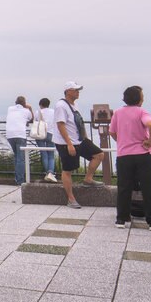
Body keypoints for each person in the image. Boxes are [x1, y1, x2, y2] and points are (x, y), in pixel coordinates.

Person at [109, 86, 151, 231]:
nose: (143, 98)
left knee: (124, 187)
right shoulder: (142, 111)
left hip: (124, 155)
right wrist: (150, 141)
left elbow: (112, 132)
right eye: (142, 95)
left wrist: (122, 141)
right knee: (148, 188)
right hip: (144, 155)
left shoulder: (118, 113)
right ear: (138, 98)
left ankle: (121, 219)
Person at [53, 81, 105, 209]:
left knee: (98, 154)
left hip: (79, 140)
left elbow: (78, 122)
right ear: (68, 91)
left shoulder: (74, 105)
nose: (78, 92)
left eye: (78, 90)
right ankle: (71, 199)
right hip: (67, 143)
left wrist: (85, 137)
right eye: (75, 90)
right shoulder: (61, 105)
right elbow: (61, 125)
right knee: (68, 170)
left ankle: (88, 179)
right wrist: (69, 144)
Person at [6, 97, 34, 185]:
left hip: (10, 135)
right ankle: (20, 180)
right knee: (21, 159)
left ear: (15, 102)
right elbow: (32, 119)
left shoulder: (10, 109)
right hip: (20, 135)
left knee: (16, 157)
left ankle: (17, 177)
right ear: (24, 103)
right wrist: (30, 108)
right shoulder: (26, 111)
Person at [36, 98, 58, 183]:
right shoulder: (53, 112)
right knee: (51, 155)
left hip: (40, 134)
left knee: (43, 154)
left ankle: (46, 173)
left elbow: (35, 122)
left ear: (40, 104)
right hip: (51, 133)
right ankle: (51, 173)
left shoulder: (38, 112)